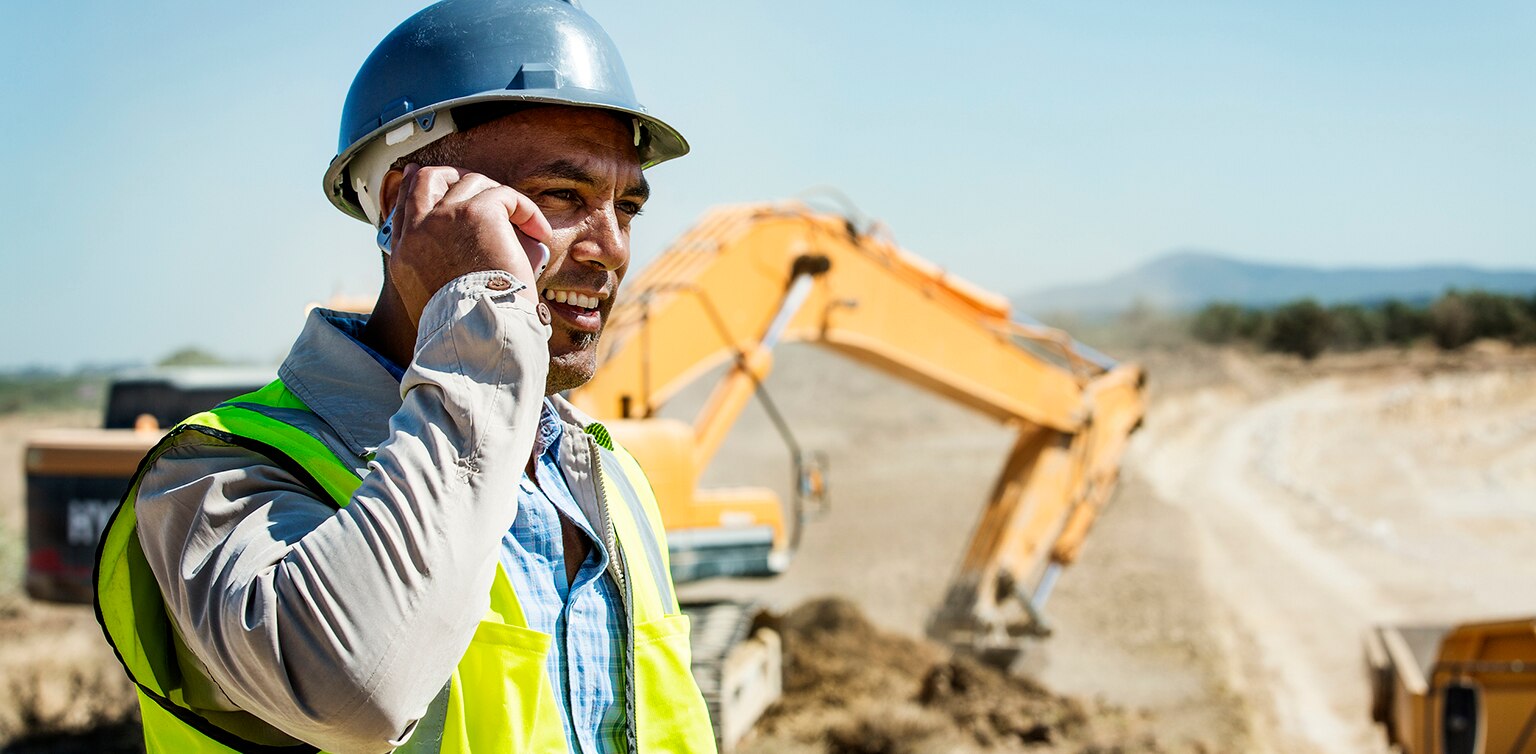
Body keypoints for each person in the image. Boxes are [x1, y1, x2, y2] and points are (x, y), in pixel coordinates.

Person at [93, 1, 717, 752]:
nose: (611, 248)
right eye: (563, 198)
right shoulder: (219, 476)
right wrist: (482, 321)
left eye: (628, 207)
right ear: (404, 203)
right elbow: (356, 691)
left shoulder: (611, 481)